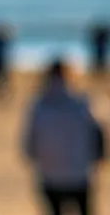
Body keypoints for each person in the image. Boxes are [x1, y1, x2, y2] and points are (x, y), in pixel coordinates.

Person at [23, 57, 104, 215]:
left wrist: (41, 160)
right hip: (80, 173)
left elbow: (29, 145)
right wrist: (97, 159)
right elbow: (98, 135)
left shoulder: (39, 106)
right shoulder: (83, 103)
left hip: (50, 175)